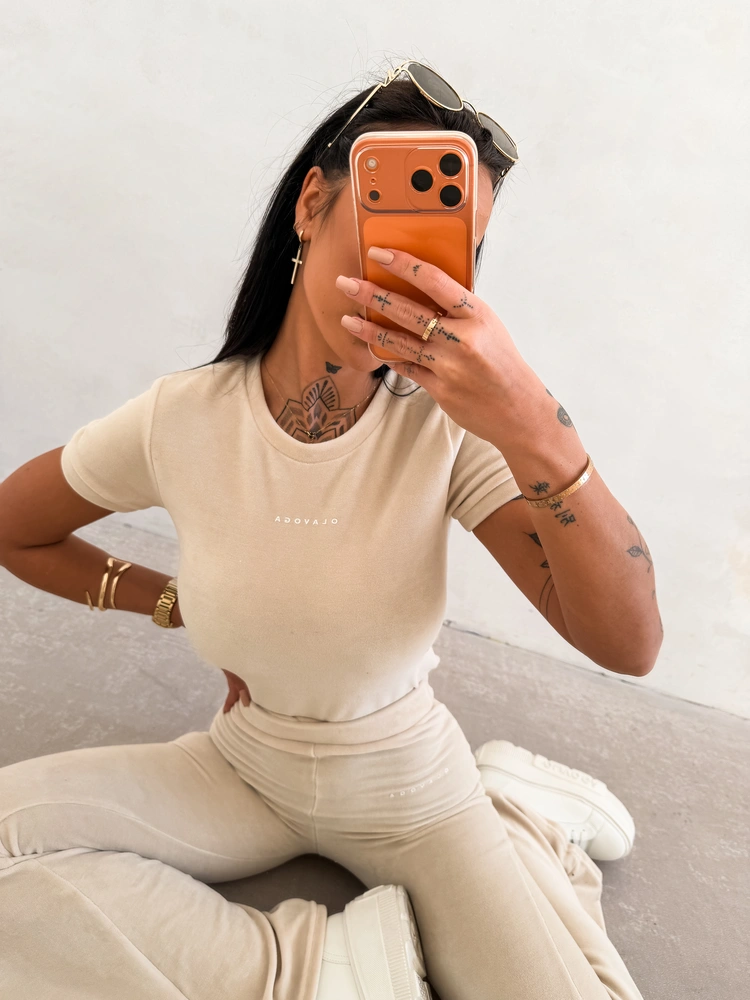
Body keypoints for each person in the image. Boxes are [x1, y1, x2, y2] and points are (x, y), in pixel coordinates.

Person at [0, 62, 661, 1000]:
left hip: (413, 790)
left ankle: (518, 811)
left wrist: (532, 425)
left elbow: (629, 642)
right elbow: (15, 529)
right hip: (242, 768)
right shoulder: (180, 419)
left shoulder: (451, 430)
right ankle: (312, 969)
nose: (414, 273)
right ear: (312, 204)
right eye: (393, 227)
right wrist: (177, 603)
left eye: (451, 248)